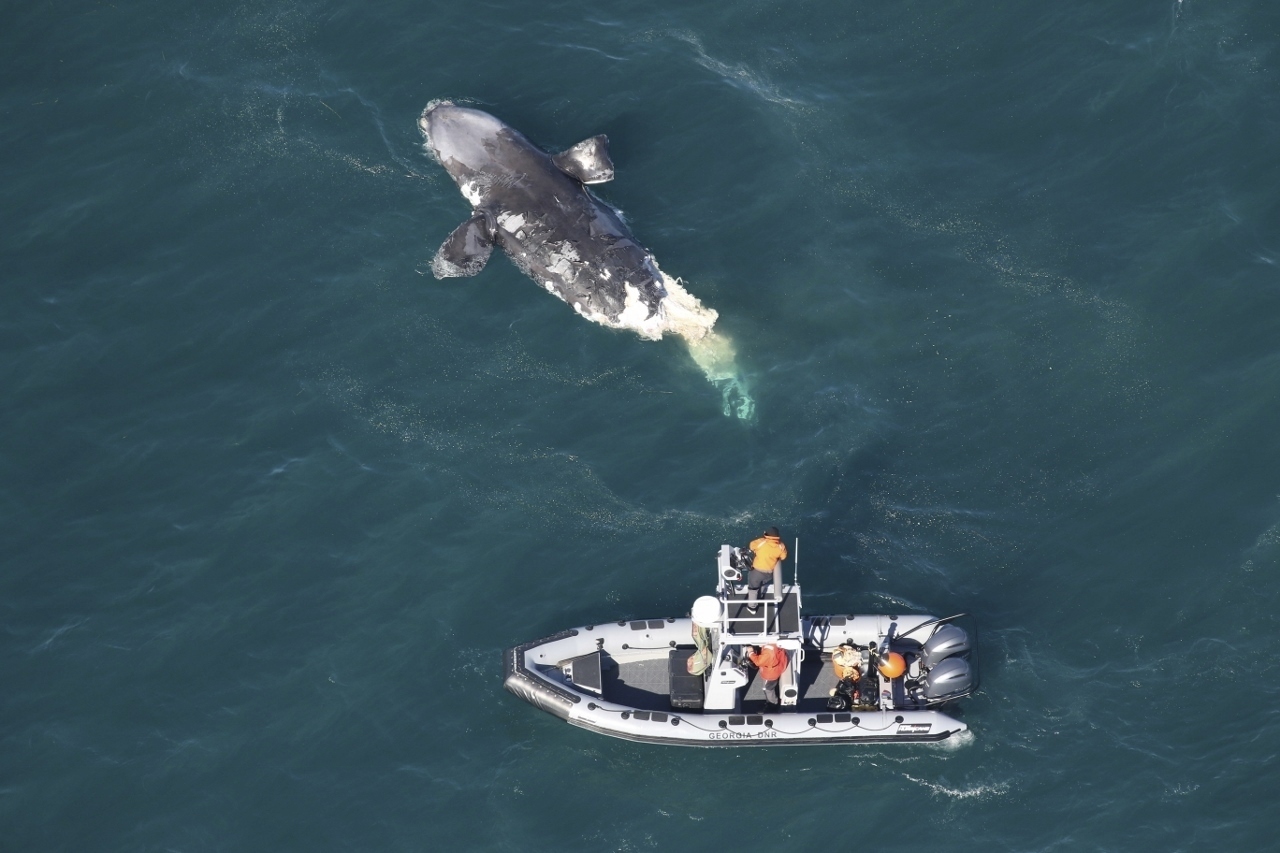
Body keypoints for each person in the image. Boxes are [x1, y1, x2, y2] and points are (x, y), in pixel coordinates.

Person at [745, 526, 788, 613]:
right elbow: (783, 557)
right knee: (761, 584)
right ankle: (759, 597)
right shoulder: (781, 546)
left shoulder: (761, 542)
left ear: (766, 535)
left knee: (753, 589)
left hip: (756, 572)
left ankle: (752, 608)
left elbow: (751, 546)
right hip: (769, 573)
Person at [747, 643, 789, 711]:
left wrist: (750, 653)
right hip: (775, 669)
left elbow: (758, 662)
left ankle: (773, 704)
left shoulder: (768, 652)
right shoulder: (773, 645)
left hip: (770, 674)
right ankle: (770, 702)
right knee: (769, 687)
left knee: (768, 689)